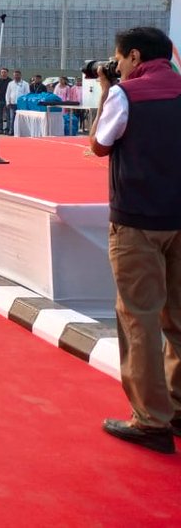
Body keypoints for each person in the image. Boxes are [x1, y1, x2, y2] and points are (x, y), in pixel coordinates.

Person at [88, 26, 181, 454]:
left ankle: (151, 419)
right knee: (178, 321)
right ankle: (178, 409)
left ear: (135, 57)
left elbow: (100, 144)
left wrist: (110, 91)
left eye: (120, 59)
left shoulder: (127, 94)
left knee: (139, 319)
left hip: (137, 220)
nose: (118, 66)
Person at [5, 69, 30, 135]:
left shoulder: (25, 84)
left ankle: (21, 132)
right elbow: (8, 93)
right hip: (12, 104)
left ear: (20, 75)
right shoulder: (10, 83)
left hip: (21, 104)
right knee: (12, 118)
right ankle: (12, 131)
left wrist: (25, 104)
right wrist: (8, 102)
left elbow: (27, 94)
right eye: (15, 75)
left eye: (17, 75)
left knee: (21, 119)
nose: (16, 76)